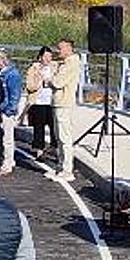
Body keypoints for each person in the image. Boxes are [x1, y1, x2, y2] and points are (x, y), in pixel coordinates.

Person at [47, 39, 81, 183]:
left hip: (64, 103)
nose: (57, 51)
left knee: (64, 137)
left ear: (68, 48)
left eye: (60, 48)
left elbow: (57, 82)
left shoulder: (71, 63)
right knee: (59, 137)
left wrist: (50, 79)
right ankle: (61, 167)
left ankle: (67, 170)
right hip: (58, 102)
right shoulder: (65, 64)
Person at [24, 46, 58, 160]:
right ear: (40, 57)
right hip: (38, 101)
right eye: (46, 56)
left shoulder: (56, 67)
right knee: (39, 128)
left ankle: (55, 149)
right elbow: (29, 86)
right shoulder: (33, 69)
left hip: (52, 101)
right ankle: (40, 151)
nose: (48, 59)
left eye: (50, 56)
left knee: (54, 127)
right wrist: (39, 81)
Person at [0, 51, 23, 176]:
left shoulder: (12, 74)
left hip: (6, 110)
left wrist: (10, 110)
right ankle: (7, 160)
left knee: (7, 138)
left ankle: (8, 162)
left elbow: (15, 94)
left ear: (3, 60)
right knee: (2, 137)